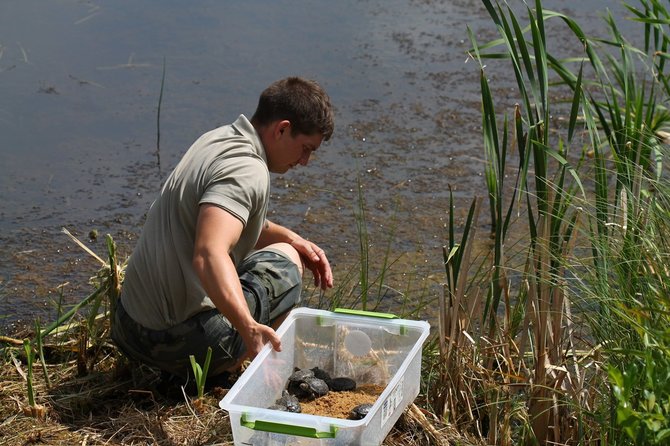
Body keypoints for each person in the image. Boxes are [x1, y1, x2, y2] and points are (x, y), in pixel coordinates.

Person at [111, 76, 335, 379]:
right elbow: (208, 253)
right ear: (282, 129)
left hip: (127, 330)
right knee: (287, 262)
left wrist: (293, 237)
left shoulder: (218, 138)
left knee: (287, 247)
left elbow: (228, 218)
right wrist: (248, 328)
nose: (305, 161)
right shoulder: (248, 171)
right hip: (177, 346)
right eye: (306, 148)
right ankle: (237, 362)